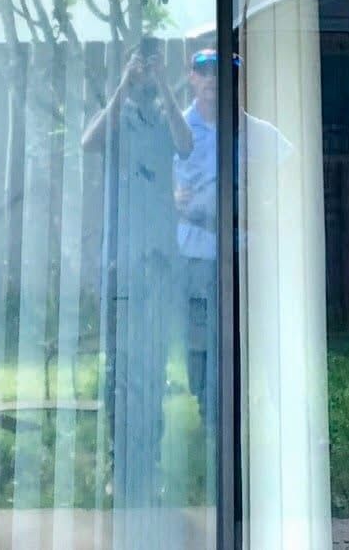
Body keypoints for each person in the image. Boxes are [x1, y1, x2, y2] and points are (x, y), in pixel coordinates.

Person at [83, 39, 190, 541]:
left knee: (153, 363)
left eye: (151, 64)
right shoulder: (118, 112)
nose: (146, 71)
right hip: (120, 261)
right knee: (118, 366)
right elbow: (88, 142)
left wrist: (166, 87)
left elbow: (186, 144)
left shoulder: (166, 113)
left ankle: (148, 464)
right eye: (139, 63)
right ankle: (116, 463)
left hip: (158, 262)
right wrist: (123, 85)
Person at [173, 46, 287, 434]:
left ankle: (267, 418)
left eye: (222, 72)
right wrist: (171, 198)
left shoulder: (261, 133)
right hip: (196, 254)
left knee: (254, 336)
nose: (212, 80)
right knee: (200, 339)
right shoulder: (177, 130)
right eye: (203, 71)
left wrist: (268, 201)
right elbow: (150, 183)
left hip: (248, 253)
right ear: (191, 77)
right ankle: (210, 419)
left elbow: (292, 184)